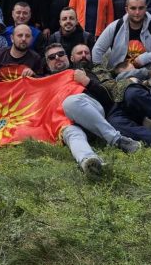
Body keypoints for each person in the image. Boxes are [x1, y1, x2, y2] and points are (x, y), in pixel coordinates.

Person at [43, 43, 140, 177]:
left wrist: (86, 81)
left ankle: (116, 139)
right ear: (47, 63)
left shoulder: (83, 71)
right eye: (52, 57)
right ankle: (88, 160)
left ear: (68, 57)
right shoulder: (44, 81)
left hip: (90, 111)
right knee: (71, 133)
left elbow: (106, 97)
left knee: (70, 102)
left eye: (60, 54)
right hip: (65, 121)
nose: (57, 58)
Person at [92, 0, 151, 71]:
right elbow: (97, 49)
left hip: (148, 70)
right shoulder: (115, 26)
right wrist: (100, 72)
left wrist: (147, 57)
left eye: (141, 8)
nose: (137, 12)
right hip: (120, 72)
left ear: (146, 8)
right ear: (126, 9)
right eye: (133, 8)